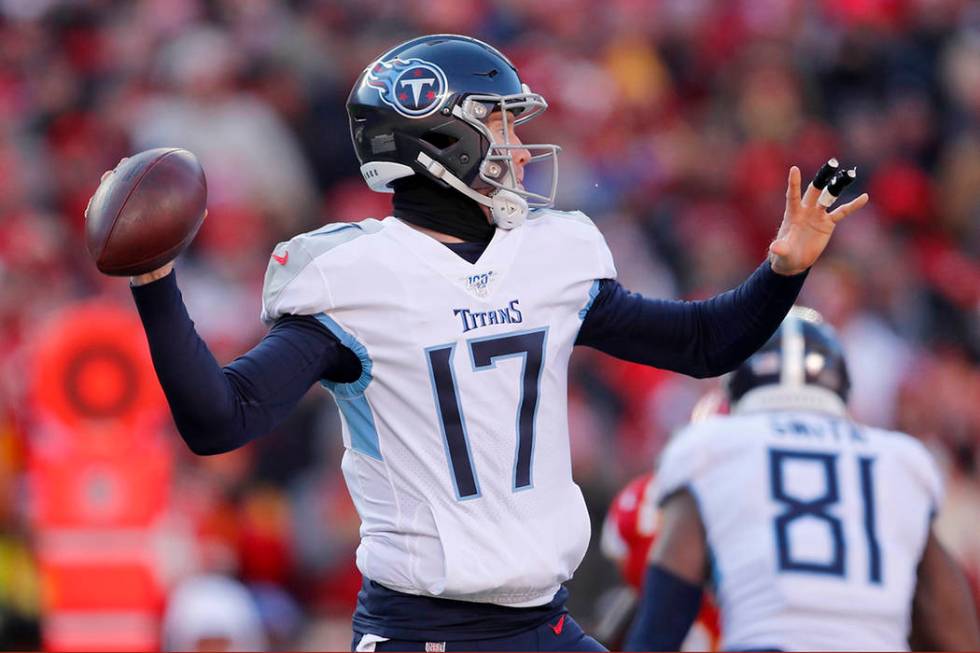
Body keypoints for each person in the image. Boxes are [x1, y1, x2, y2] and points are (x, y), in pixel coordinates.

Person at [112, 35, 868, 652]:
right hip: (426, 630)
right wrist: (155, 281)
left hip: (544, 621)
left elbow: (705, 344)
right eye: (500, 122)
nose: (520, 145)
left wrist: (781, 271)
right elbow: (223, 417)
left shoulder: (550, 255)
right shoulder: (354, 276)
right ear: (438, 134)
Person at [625, 307, 980, 652]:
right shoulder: (900, 458)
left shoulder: (712, 447)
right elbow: (948, 626)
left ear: (735, 388)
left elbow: (662, 624)